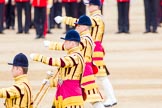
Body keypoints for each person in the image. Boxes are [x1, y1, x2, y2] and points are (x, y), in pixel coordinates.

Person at [54, 0, 117, 107]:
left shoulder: (97, 18)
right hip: (93, 50)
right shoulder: (95, 17)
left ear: (97, 6)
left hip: (95, 50)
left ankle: (111, 98)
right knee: (99, 77)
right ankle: (110, 98)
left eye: (91, 5)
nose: (89, 7)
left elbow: (80, 23)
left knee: (101, 77)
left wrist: (64, 19)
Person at [44, 15, 105, 108]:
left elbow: (69, 46)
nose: (76, 27)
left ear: (84, 27)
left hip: (83, 71)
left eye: (78, 26)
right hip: (82, 69)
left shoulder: (84, 39)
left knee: (93, 97)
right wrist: (63, 19)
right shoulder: (85, 37)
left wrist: (51, 45)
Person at [30, 30, 84, 108]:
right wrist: (51, 82)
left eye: (66, 41)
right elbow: (65, 80)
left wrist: (39, 57)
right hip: (64, 94)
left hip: (71, 96)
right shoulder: (73, 55)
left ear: (72, 43)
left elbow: (58, 62)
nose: (64, 43)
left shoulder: (75, 57)